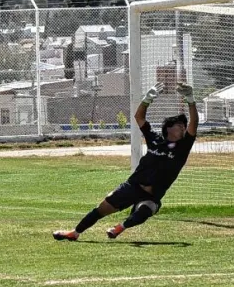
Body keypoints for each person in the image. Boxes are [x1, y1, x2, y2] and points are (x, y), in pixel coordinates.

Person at [54, 82, 197, 241]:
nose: (184, 129)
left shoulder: (182, 148)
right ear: (168, 128)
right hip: (132, 186)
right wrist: (147, 99)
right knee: (101, 209)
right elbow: (139, 117)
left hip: (151, 196)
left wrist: (190, 99)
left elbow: (194, 125)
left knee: (144, 211)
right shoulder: (155, 140)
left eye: (184, 126)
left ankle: (118, 228)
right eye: (179, 125)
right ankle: (74, 233)